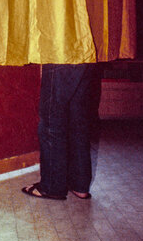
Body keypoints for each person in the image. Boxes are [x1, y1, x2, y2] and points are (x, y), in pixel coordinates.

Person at [22, 63, 99, 200]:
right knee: (78, 115)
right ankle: (79, 184)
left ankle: (52, 186)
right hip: (85, 48)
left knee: (51, 114)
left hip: (62, 49)